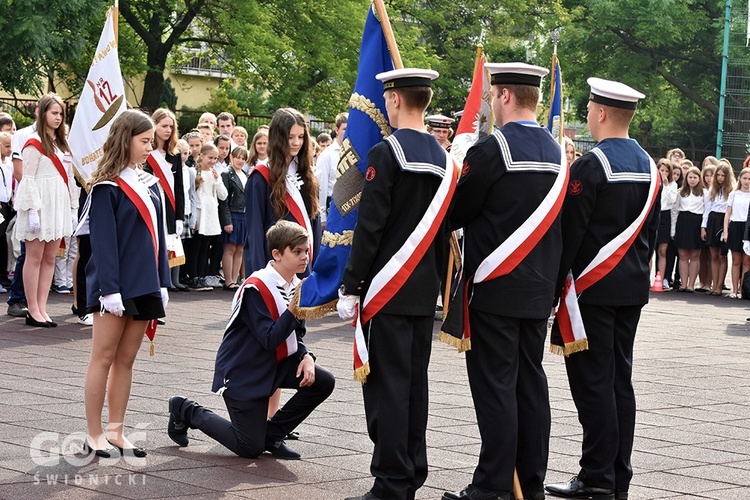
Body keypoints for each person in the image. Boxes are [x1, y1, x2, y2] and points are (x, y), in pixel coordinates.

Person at [441, 62, 566, 500]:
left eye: (494, 96)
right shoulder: (558, 152)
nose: (492, 105)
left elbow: (457, 212)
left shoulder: (490, 150)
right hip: (538, 291)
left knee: (495, 388)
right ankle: (528, 483)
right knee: (529, 386)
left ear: (506, 96)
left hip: (495, 286)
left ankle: (492, 486)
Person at [338, 68, 458, 500]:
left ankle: (391, 481)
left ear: (392, 101)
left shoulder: (386, 154)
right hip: (423, 290)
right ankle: (411, 470)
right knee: (413, 386)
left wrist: (352, 285)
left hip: (387, 289)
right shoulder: (447, 160)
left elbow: (370, 227)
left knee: (386, 388)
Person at [546, 78, 660, 500]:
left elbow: (570, 235)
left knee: (593, 384)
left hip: (590, 290)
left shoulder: (592, 165)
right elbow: (652, 233)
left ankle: (596, 476)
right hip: (630, 288)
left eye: (591, 109)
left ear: (601, 113)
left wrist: (554, 286)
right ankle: (617, 474)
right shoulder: (651, 166)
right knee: (619, 383)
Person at [167, 220, 335, 459]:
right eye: (297, 251)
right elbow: (269, 339)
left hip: (272, 364)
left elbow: (296, 334)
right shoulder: (256, 287)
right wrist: (294, 308)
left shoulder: (295, 285)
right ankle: (186, 409)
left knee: (323, 380)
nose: (304, 257)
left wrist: (306, 356)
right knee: (249, 448)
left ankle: (273, 435)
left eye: (306, 250)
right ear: (277, 254)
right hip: (245, 371)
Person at [82, 109, 171, 458]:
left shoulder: (149, 184)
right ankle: (93, 433)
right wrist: (109, 289)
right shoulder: (106, 186)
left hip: (145, 283)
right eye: (144, 141)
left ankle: (117, 431)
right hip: (114, 288)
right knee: (102, 357)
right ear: (126, 139)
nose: (150, 147)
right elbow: (103, 244)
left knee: (127, 360)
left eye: (152, 141)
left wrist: (163, 280)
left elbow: (159, 239)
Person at [14, 93, 77, 327]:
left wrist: (72, 207)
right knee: (34, 257)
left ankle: (42, 307)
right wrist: (31, 210)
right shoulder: (33, 143)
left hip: (57, 206)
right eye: (54, 113)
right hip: (39, 206)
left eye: (61, 113)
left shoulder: (63, 144)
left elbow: (69, 179)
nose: (58, 117)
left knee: (50, 258)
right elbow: (27, 178)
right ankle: (32, 309)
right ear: (43, 114)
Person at [243, 108, 320, 277]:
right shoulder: (260, 176)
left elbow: (314, 221)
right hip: (277, 267)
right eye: (290, 137)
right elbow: (254, 232)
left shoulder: (307, 174)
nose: (296, 143)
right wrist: (259, 276)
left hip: (305, 264)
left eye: (301, 137)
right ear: (278, 138)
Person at [149, 109, 186, 291]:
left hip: (170, 205)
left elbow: (178, 188)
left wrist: (180, 217)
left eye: (171, 126)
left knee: (168, 246)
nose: (168, 130)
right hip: (153, 201)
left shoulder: (175, 154)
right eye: (164, 126)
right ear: (154, 126)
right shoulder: (146, 152)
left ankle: (165, 284)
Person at [186, 143, 227, 290]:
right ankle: (193, 276)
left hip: (211, 213)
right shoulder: (194, 172)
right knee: (196, 246)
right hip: (199, 212)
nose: (213, 161)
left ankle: (202, 276)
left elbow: (223, 196)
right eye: (210, 157)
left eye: (215, 158)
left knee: (205, 246)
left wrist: (218, 180)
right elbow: (193, 196)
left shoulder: (214, 174)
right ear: (201, 156)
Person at [701, 160, 733, 295]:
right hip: (712, 220)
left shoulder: (732, 190)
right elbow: (707, 209)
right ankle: (714, 285)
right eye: (718, 175)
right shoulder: (711, 190)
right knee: (713, 254)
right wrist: (704, 227)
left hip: (724, 221)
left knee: (722, 255)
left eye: (722, 175)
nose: (720, 178)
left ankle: (720, 286)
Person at [675, 166, 707, 292]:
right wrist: (673, 229)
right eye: (690, 177)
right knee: (683, 254)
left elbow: (706, 211)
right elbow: (675, 210)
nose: (692, 180)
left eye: (695, 177)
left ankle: (691, 285)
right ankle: (683, 284)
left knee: (694, 255)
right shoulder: (680, 192)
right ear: (686, 178)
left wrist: (703, 227)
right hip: (683, 222)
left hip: (696, 222)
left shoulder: (704, 193)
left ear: (699, 179)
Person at [220, 146, 248, 289]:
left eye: (243, 158)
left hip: (244, 215)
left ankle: (235, 279)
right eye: (237, 157)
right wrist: (227, 221)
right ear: (231, 157)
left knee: (240, 249)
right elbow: (224, 200)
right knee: (230, 248)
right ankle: (228, 280)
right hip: (232, 214)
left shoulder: (245, 174)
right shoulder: (227, 174)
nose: (240, 160)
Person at [315, 112, 347, 230]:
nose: (348, 132)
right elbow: (321, 186)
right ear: (337, 130)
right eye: (345, 129)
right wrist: (322, 216)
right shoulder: (327, 155)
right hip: (331, 204)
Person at [723, 165, 750, 298]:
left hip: (748, 227)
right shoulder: (734, 194)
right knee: (735, 260)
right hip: (735, 226)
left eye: (749, 179)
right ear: (740, 179)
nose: (747, 181)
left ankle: (742, 290)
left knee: (746, 261)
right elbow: (727, 214)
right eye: (744, 178)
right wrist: (726, 231)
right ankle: (734, 290)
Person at [652, 159, 678, 292]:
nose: (664, 173)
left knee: (662, 250)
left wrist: (667, 185)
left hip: (665, 216)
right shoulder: (653, 181)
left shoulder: (673, 185)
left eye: (666, 171)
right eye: (662, 170)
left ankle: (661, 279)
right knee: (650, 250)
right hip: (654, 214)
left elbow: (672, 201)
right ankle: (645, 279)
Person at [697, 162, 717, 292]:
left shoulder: (715, 190)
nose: (709, 178)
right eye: (706, 175)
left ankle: (709, 283)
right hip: (701, 222)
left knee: (712, 256)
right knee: (701, 255)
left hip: (714, 223)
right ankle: (702, 281)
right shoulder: (702, 190)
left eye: (711, 175)